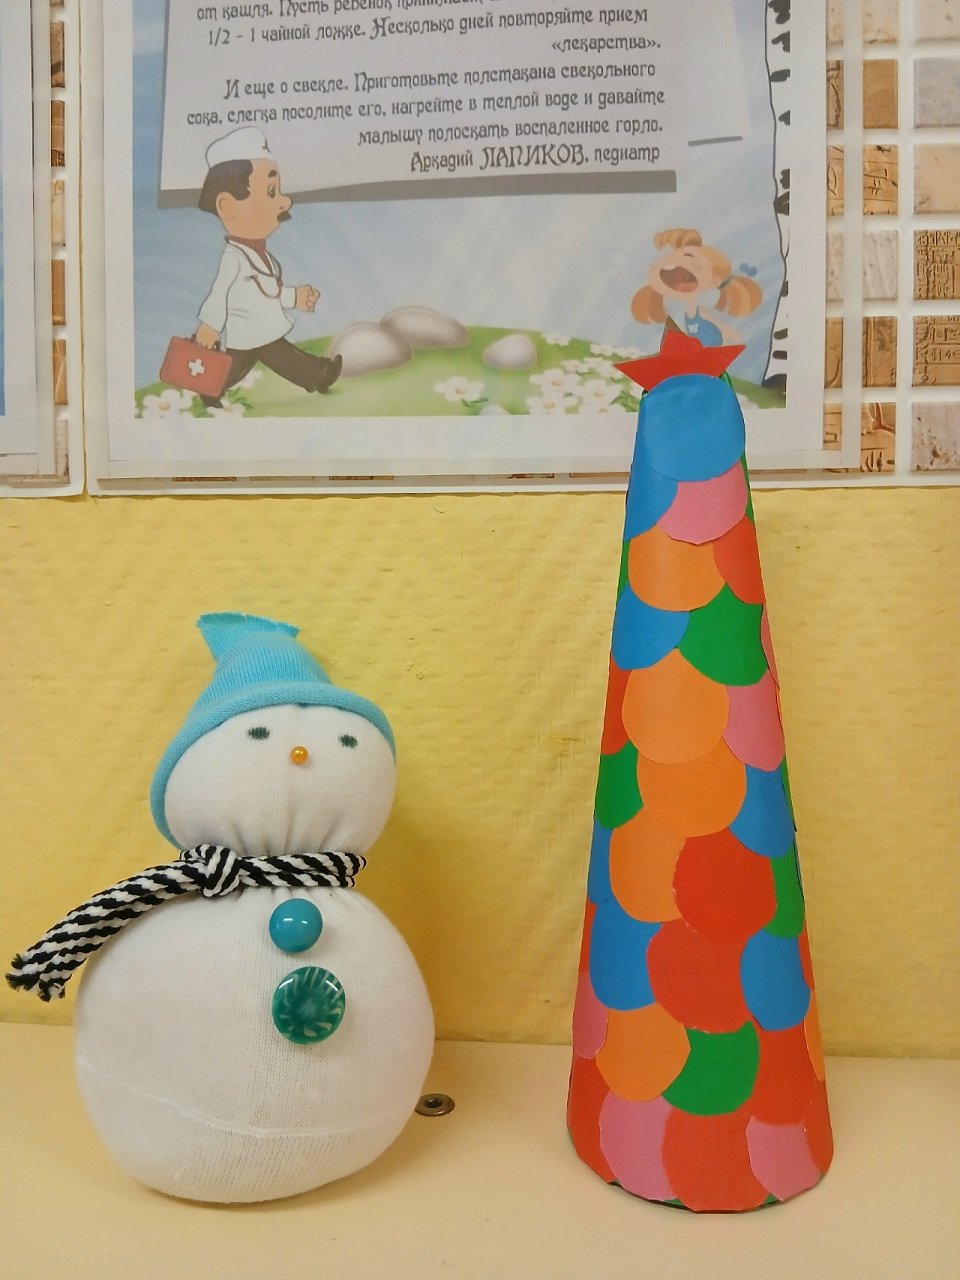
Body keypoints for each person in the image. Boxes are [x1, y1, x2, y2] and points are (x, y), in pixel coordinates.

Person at [194, 126, 341, 404]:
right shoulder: (234, 258)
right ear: (227, 206)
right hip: (250, 330)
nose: (285, 202)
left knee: (243, 363)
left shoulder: (262, 255)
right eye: (271, 192)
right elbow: (218, 293)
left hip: (257, 328)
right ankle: (318, 374)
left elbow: (267, 291)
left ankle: (211, 388)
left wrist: (294, 297)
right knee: (274, 356)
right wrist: (209, 326)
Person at [630, 228, 762, 347]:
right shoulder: (687, 313)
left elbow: (723, 329)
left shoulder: (702, 311)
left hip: (712, 348)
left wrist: (730, 338)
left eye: (687, 277)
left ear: (714, 281)